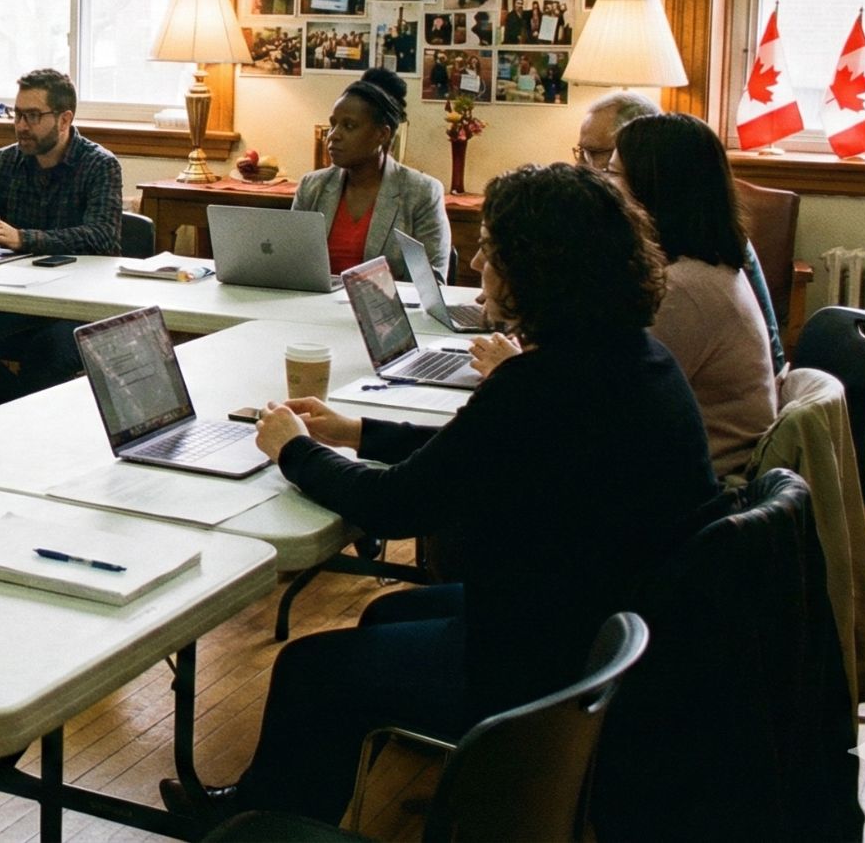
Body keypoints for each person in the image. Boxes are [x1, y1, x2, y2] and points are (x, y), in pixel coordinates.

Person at [163, 164, 721, 829]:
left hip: (541, 660)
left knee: (310, 670)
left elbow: (398, 504)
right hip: (601, 621)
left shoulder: (539, 386)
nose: (480, 260)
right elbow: (471, 459)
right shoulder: (633, 361)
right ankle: (307, 800)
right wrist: (354, 430)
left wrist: (292, 448)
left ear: (535, 269)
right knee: (382, 619)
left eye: (493, 248)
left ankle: (259, 825)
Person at [610, 114, 780, 477]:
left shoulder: (684, 289)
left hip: (703, 489)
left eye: (612, 175)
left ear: (652, 189)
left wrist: (517, 370)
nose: (604, 187)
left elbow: (611, 406)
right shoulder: (708, 267)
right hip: (698, 467)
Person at [574, 92, 785, 371]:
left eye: (606, 163)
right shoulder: (704, 247)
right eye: (581, 154)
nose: (584, 170)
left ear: (650, 173)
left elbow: (617, 380)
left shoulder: (683, 286)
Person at [0, 69, 122, 407]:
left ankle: (17, 434)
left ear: (64, 119)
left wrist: (25, 239)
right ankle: (16, 427)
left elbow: (102, 237)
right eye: (17, 114)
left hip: (80, 304)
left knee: (44, 359)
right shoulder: (8, 161)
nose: (20, 126)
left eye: (32, 116)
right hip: (19, 298)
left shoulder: (100, 166)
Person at [292, 68, 448, 283]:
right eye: (333, 124)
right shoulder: (312, 186)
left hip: (388, 313)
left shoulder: (422, 192)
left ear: (381, 135)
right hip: (313, 311)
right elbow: (292, 265)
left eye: (349, 126)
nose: (334, 135)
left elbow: (432, 283)